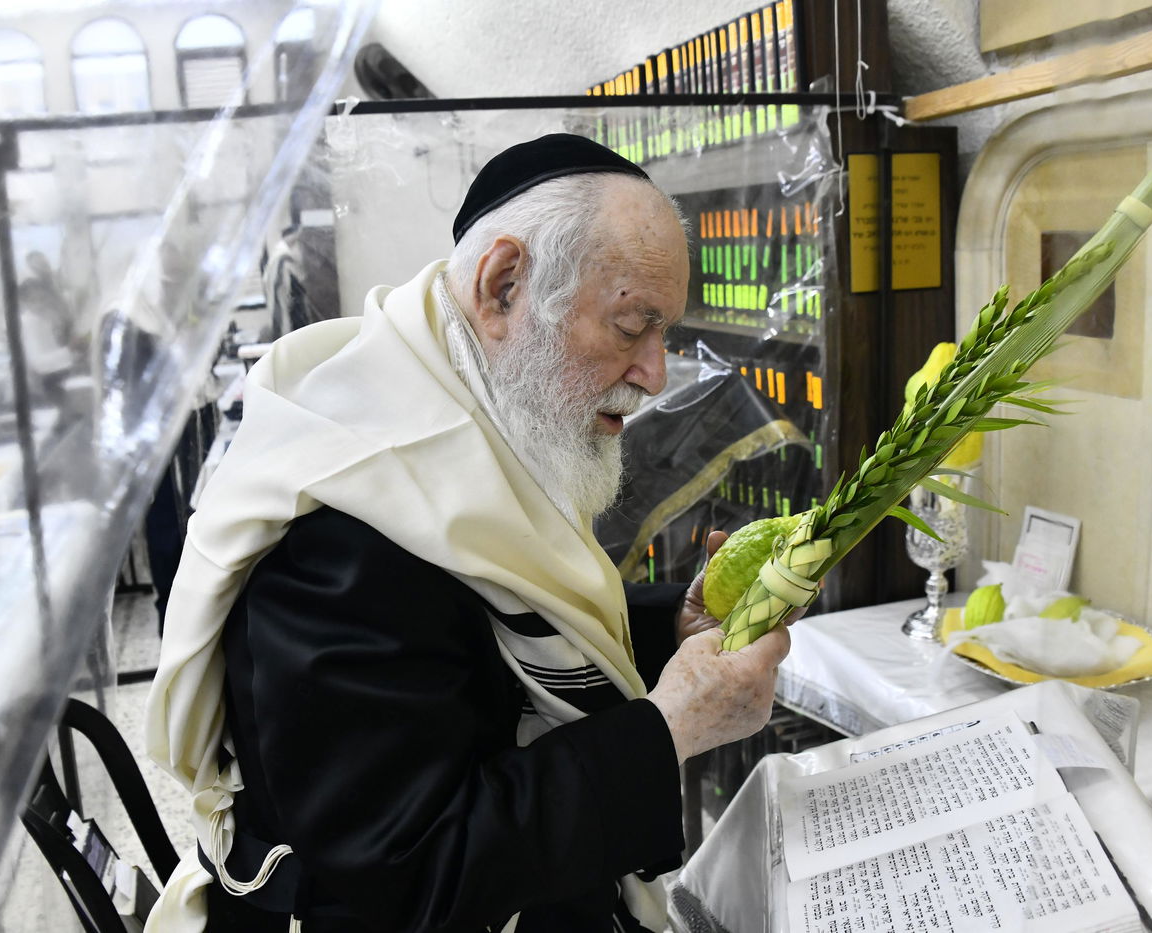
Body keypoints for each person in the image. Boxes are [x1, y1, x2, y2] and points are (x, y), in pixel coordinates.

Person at [145, 134, 811, 933]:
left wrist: (670, 625)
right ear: (503, 287)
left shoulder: (458, 397)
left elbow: (486, 634)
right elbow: (410, 874)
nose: (656, 373)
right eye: (633, 325)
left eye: (663, 331)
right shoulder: (343, 524)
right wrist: (670, 730)